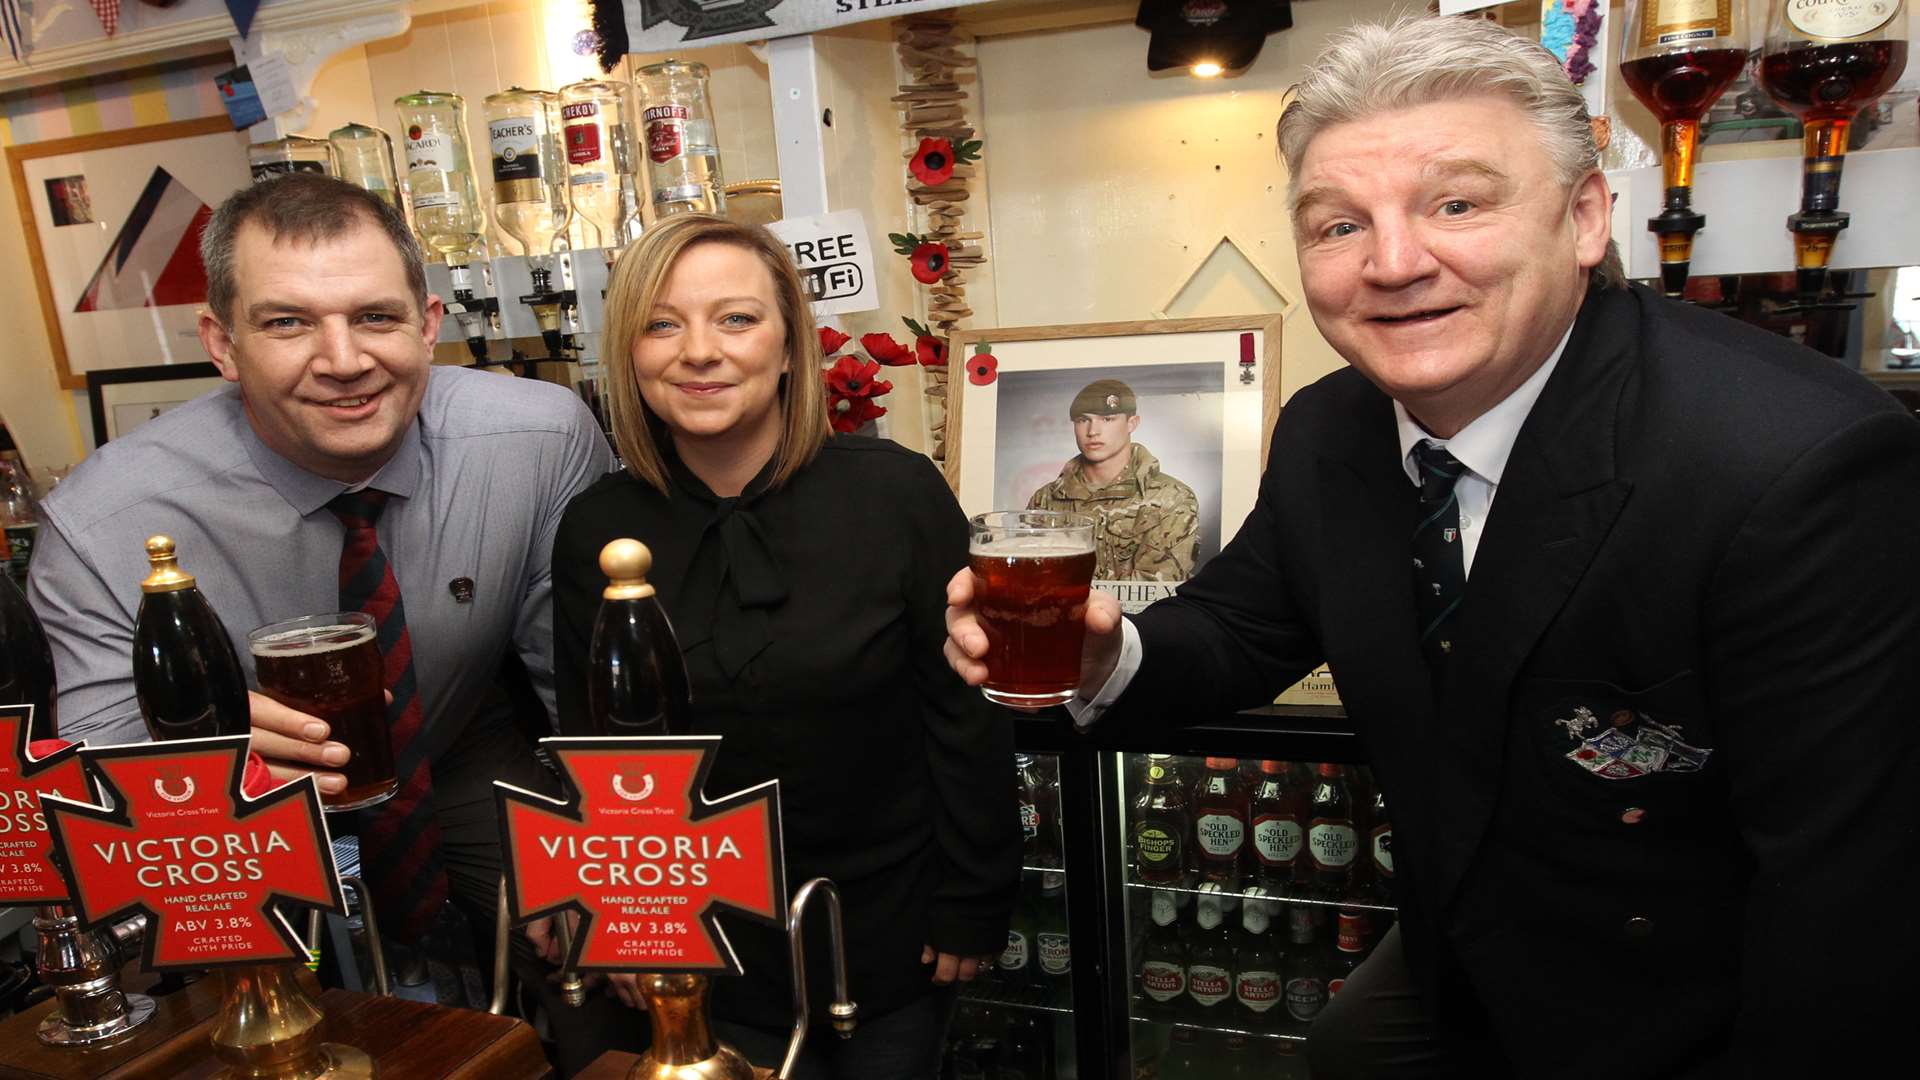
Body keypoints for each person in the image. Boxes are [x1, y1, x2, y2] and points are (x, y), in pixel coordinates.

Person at [945, 16, 1920, 1076]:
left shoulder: (1795, 461)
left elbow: (1846, 902)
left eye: (1456, 204)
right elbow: (1239, 626)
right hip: (1463, 944)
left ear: (1586, 217)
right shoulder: (1333, 430)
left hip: (1697, 997)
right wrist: (1104, 654)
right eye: (1337, 226)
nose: (1395, 263)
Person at [27, 175, 618, 1073]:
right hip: (233, 815)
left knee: (609, 954)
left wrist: (592, 851)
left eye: (375, 317)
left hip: (454, 751)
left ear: (427, 325)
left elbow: (572, 680)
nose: (343, 359)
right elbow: (102, 764)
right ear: (222, 345)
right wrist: (204, 751)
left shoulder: (535, 440)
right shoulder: (107, 517)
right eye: (288, 323)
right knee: (217, 1030)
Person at [551, 214, 1020, 1079]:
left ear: (791, 344)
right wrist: (614, 917)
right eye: (662, 323)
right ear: (630, 355)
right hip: (687, 941)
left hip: (875, 930)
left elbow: (962, 712)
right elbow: (599, 746)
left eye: (735, 318)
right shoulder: (599, 527)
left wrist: (973, 899)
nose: (699, 351)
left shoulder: (893, 493)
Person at [1025, 378, 1200, 581]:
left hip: (1138, 613)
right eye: (1083, 420)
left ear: (1131, 424)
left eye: (1107, 419)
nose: (1093, 431)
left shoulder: (1172, 498)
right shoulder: (1045, 500)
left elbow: (1155, 589)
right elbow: (1032, 580)